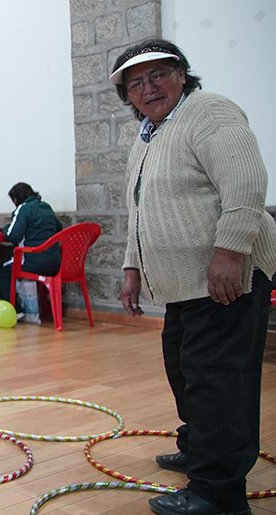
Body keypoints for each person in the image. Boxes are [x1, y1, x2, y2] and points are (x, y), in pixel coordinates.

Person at [111, 39, 276, 515]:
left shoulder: (209, 111)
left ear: (182, 74)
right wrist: (130, 268)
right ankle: (200, 449)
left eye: (158, 75)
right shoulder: (149, 136)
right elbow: (138, 211)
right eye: (135, 83)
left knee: (217, 380)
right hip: (183, 284)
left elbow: (246, 181)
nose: (148, 88)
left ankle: (217, 494)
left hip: (225, 276)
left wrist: (229, 252)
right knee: (185, 370)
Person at [0, 182, 62, 318]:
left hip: (31, 263)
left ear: (16, 199)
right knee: (8, 269)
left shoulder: (23, 209)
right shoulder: (46, 207)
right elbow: (58, 229)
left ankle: (16, 311)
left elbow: (13, 236)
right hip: (54, 264)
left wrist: (6, 228)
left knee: (0, 271)